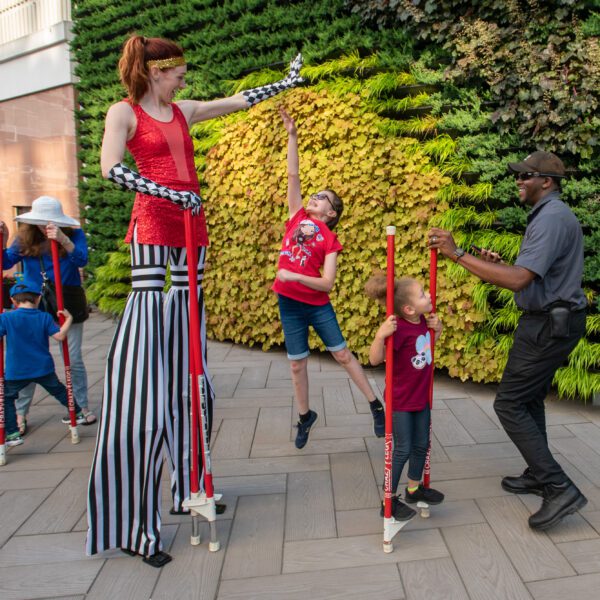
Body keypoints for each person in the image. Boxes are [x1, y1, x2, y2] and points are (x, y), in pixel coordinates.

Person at [88, 34, 304, 567]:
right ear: (156, 71)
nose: (185, 78)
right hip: (154, 239)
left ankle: (191, 484)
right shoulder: (124, 113)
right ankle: (137, 525)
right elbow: (110, 169)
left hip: (192, 237)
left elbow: (235, 102)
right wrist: (168, 193)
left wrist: (285, 82)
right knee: (145, 384)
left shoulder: (182, 111)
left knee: (192, 380)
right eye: (178, 71)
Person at [428, 150, 588, 530]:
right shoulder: (550, 215)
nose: (518, 180)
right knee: (529, 399)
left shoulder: (550, 218)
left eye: (525, 175)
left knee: (510, 404)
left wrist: (457, 253)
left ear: (546, 182)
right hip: (553, 321)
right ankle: (538, 472)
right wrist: (494, 263)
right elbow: (526, 273)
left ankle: (558, 486)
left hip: (547, 326)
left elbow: (519, 280)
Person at [273, 108, 385, 450]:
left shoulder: (330, 240)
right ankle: (306, 416)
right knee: (296, 365)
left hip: (317, 306)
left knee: (341, 355)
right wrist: (292, 136)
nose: (313, 197)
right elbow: (293, 176)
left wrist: (292, 273)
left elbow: (327, 285)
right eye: (315, 194)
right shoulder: (297, 218)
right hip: (289, 304)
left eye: (321, 197)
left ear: (331, 213)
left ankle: (374, 405)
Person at [1, 196, 94, 435]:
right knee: (26, 356)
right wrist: (3, 238)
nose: (45, 226)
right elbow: (5, 262)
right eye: (41, 222)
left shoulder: (73, 235)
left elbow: (81, 259)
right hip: (35, 301)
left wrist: (62, 239)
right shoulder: (25, 237)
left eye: (49, 222)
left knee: (72, 357)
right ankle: (20, 412)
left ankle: (80, 406)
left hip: (67, 300)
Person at [366, 274, 444, 520]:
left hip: (421, 397)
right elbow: (374, 359)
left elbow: (425, 350)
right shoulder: (397, 329)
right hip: (401, 402)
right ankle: (387, 500)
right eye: (423, 294)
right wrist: (381, 335)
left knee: (422, 445)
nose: (429, 295)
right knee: (403, 449)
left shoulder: (424, 321)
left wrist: (437, 331)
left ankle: (413, 489)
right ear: (408, 308)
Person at [0, 282, 80, 448]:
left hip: (17, 369)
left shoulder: (6, 318)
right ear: (38, 298)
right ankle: (78, 412)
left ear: (13, 301)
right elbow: (59, 336)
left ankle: (13, 433)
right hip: (43, 367)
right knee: (59, 390)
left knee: (7, 399)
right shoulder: (44, 317)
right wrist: (69, 319)